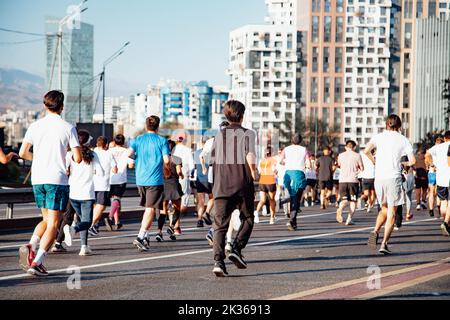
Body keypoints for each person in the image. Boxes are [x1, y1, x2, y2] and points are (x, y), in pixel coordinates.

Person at [18, 90, 81, 276]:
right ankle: (37, 261)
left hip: (38, 179)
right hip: (57, 179)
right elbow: (77, 158)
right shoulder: (68, 127)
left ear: (45, 105)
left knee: (46, 219)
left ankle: (31, 244)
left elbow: (23, 153)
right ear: (62, 107)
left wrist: (37, 159)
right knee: (54, 223)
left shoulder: (35, 126)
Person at [210, 100, 258, 277]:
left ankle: (218, 262)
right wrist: (255, 172)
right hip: (241, 183)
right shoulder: (248, 134)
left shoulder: (218, 136)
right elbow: (250, 155)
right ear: (242, 115)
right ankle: (236, 248)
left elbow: (213, 163)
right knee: (248, 218)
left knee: (220, 225)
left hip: (221, 185)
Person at [365, 114, 415, 255]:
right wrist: (403, 163)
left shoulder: (378, 137)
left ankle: (375, 230)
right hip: (393, 178)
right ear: (399, 126)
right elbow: (412, 161)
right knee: (392, 212)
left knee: (385, 208)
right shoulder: (403, 140)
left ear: (386, 124)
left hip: (379, 178)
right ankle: (384, 243)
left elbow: (366, 151)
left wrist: (375, 161)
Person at [129, 116, 170, 251]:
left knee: (148, 209)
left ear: (146, 126)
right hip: (155, 179)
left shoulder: (138, 139)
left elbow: (129, 154)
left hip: (140, 179)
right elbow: (167, 160)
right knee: (151, 209)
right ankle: (140, 236)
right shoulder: (162, 141)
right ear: (158, 127)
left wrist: (136, 158)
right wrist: (167, 169)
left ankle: (145, 236)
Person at [63, 130, 105, 256]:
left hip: (73, 193)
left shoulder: (69, 154)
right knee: (87, 221)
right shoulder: (93, 155)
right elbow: (101, 172)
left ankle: (84, 247)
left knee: (82, 219)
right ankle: (72, 229)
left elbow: (64, 170)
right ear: (88, 142)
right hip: (87, 193)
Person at [280, 133, 311, 231]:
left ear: (291, 140)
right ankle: (291, 220)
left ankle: (293, 222)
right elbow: (309, 163)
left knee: (292, 196)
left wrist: (288, 162)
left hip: (288, 174)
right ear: (300, 140)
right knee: (296, 199)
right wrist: (306, 166)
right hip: (299, 174)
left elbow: (280, 161)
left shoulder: (286, 149)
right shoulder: (304, 149)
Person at [89, 137, 117, 235]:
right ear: (106, 145)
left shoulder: (92, 153)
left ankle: (93, 225)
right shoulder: (109, 154)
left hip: (91, 183)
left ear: (97, 144)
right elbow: (115, 169)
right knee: (101, 206)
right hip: (103, 185)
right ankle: (91, 225)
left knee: (95, 206)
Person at [158, 140, 184, 242]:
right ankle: (172, 226)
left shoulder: (160, 160)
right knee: (177, 208)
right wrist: (182, 175)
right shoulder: (177, 159)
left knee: (162, 211)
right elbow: (179, 172)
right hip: (174, 185)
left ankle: (159, 232)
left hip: (163, 186)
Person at [107, 134, 135, 230]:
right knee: (117, 199)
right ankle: (110, 217)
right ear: (123, 142)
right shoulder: (126, 152)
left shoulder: (109, 151)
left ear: (114, 141)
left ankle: (116, 221)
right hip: (121, 178)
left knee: (114, 200)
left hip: (110, 178)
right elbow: (131, 165)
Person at [426, 131, 450, 236]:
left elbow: (427, 153)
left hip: (440, 177)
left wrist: (432, 164)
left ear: (445, 138)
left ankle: (445, 221)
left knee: (443, 201)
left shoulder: (438, 147)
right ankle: (446, 223)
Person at [336, 140, 364, 226]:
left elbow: (339, 165)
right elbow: (362, 168)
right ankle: (349, 219)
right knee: (353, 201)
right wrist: (357, 170)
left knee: (344, 199)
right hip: (353, 180)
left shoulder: (340, 155)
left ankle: (340, 208)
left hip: (342, 180)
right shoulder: (357, 155)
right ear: (354, 147)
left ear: (346, 147)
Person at [172, 133, 195, 236]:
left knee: (173, 201)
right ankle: (176, 226)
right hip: (184, 177)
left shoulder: (172, 149)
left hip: (172, 178)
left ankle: (174, 225)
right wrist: (190, 175)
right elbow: (192, 166)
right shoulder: (188, 150)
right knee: (182, 202)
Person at [194, 137, 214, 228]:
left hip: (199, 179)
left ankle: (199, 220)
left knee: (200, 201)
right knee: (212, 197)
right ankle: (207, 213)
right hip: (209, 178)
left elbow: (194, 166)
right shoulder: (210, 152)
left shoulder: (196, 153)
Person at [254, 147, 278, 224]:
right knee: (272, 200)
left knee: (262, 200)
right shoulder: (274, 160)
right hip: (270, 181)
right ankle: (271, 218)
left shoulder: (261, 161)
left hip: (262, 181)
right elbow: (275, 171)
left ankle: (256, 212)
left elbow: (259, 172)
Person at [426, 135, 444, 217]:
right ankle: (439, 206)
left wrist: (431, 164)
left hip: (432, 171)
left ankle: (431, 209)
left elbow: (426, 155)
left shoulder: (433, 148)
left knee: (431, 192)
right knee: (438, 192)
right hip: (439, 172)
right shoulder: (444, 148)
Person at [360, 148, 376, 213]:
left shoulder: (364, 157)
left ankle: (364, 201)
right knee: (371, 193)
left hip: (366, 177)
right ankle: (369, 205)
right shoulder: (375, 158)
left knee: (367, 194)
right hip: (372, 177)